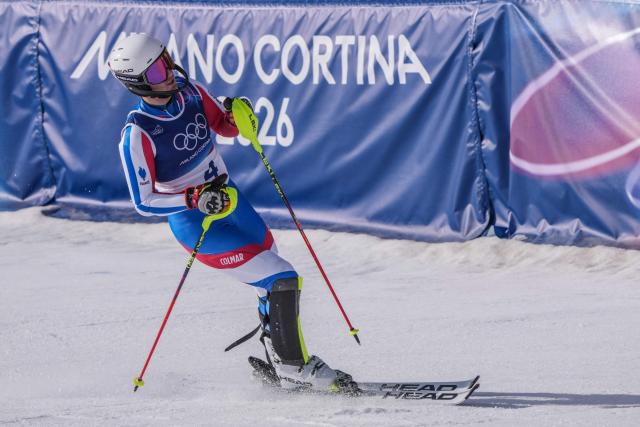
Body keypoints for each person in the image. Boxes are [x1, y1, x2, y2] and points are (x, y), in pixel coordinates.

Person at [107, 33, 352, 393]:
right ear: (139, 81)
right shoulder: (138, 133)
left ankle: (276, 354)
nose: (170, 71)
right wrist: (192, 198)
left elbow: (223, 123)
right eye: (159, 69)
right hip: (196, 222)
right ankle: (294, 367)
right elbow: (143, 202)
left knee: (271, 260)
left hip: (230, 199)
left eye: (168, 59)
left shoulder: (191, 92)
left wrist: (240, 117)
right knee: (280, 277)